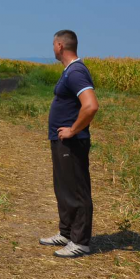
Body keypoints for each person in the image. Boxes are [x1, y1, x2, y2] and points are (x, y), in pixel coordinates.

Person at [39, 30, 99, 258]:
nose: (53, 48)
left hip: (72, 143)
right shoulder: (69, 71)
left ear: (60, 45)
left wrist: (74, 130)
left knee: (77, 191)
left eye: (53, 44)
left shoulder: (75, 72)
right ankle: (66, 233)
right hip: (62, 142)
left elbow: (91, 105)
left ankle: (81, 242)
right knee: (64, 188)